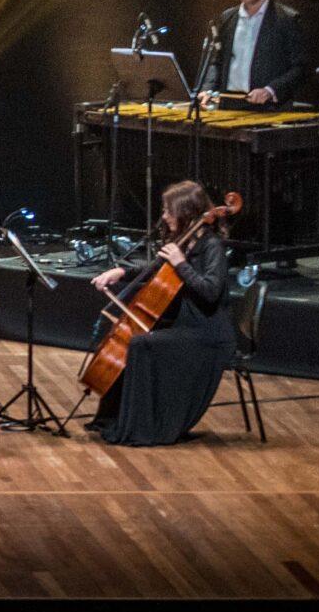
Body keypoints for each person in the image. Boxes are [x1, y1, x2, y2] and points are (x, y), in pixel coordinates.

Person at [89, 180, 235, 446]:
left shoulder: (212, 246)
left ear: (186, 213)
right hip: (186, 325)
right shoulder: (186, 240)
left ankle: (146, 427)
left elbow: (211, 291)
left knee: (141, 344)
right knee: (136, 340)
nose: (164, 216)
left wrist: (181, 264)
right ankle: (116, 419)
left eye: (169, 211)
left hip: (208, 333)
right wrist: (120, 271)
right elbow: (155, 267)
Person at [196, 0, 310, 108]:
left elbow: (301, 68)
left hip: (267, 108)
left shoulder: (287, 19)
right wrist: (207, 89)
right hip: (229, 105)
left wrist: (270, 90)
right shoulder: (227, 18)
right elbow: (216, 61)